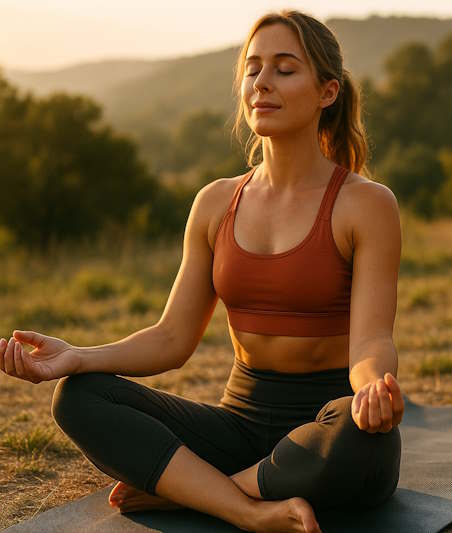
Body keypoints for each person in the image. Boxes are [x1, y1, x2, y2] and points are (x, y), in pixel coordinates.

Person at [0, 9, 404, 533]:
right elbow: (171, 337)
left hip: (322, 425)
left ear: (328, 92)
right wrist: (77, 357)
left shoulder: (365, 204)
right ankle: (245, 506)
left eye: (285, 69)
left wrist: (373, 390)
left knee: (357, 438)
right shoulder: (216, 202)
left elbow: (371, 340)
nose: (262, 82)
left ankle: (194, 490)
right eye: (253, 68)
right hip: (237, 422)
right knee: (80, 396)